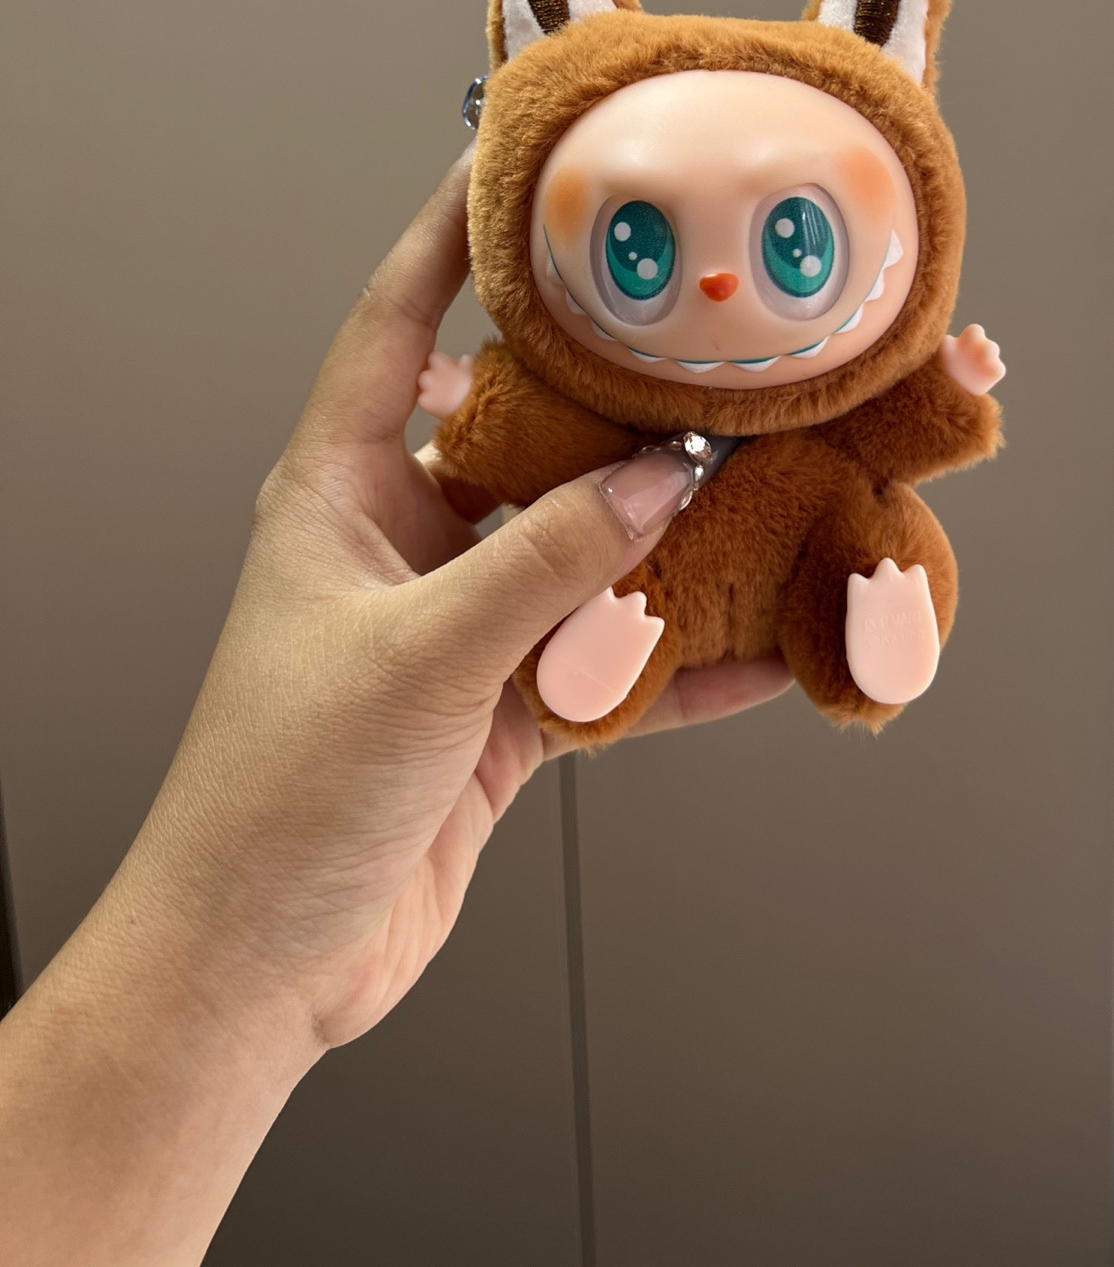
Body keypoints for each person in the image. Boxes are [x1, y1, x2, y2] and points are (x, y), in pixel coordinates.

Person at [0, 154, 792, 1265]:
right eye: (642, 247)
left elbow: (924, 424)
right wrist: (250, 952)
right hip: (611, 603)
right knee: (610, 602)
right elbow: (509, 430)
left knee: (867, 549)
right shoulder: (568, 388)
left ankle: (854, 598)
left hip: (778, 546)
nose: (718, 288)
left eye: (792, 242)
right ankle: (611, 636)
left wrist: (250, 960)